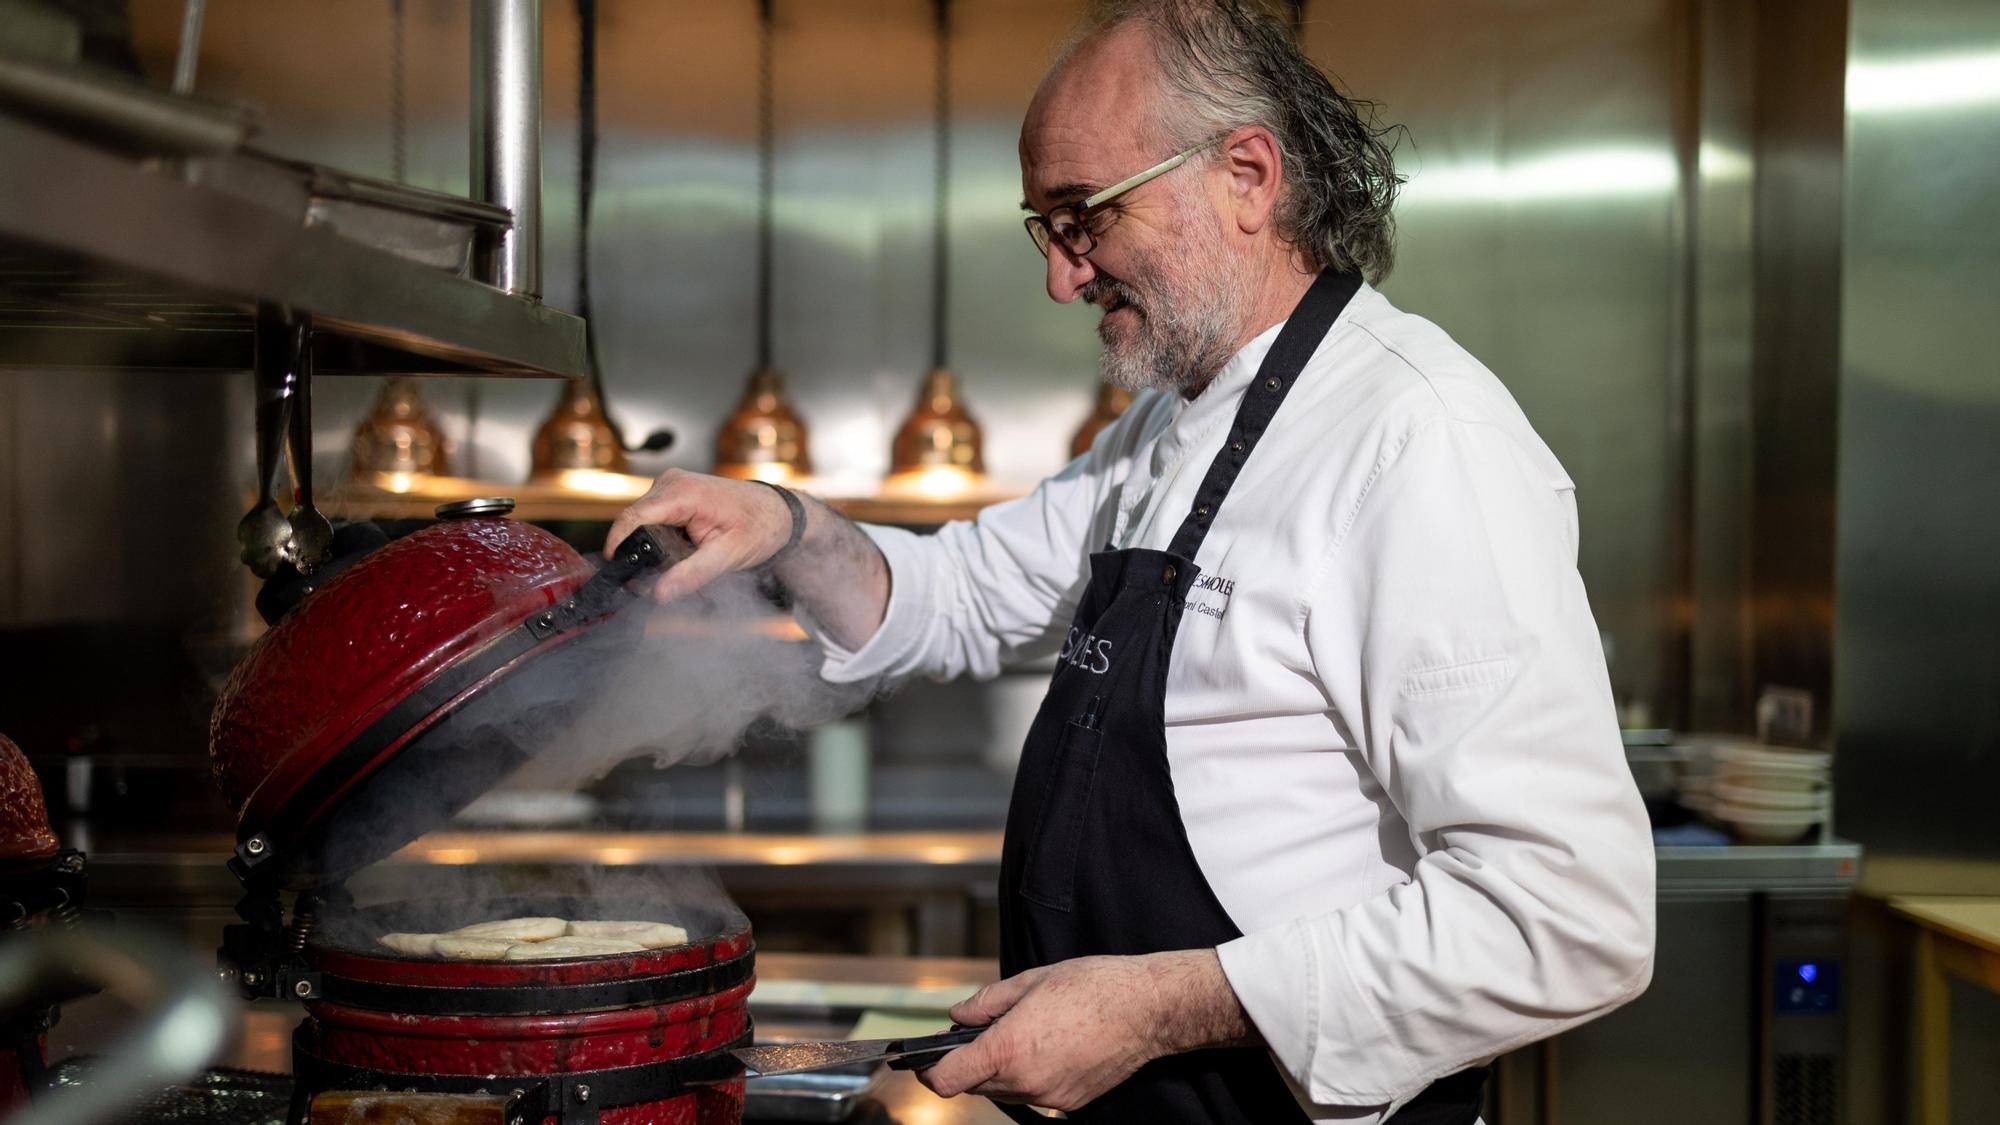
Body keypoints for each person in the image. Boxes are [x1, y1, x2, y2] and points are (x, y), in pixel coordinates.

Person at [608, 1, 1655, 1121]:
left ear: (1246, 177)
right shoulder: (1167, 427)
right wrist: (788, 524)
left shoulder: (1418, 442)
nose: (1063, 278)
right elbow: (955, 599)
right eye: (1043, 229)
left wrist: (1156, 1006)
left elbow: (1566, 916)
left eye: (1082, 218)